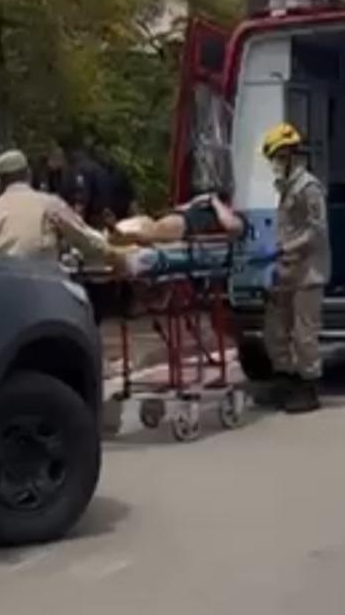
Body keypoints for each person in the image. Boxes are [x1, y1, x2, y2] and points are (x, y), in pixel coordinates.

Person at [261, 123, 329, 414]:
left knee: (304, 334)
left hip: (308, 273)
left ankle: (309, 387)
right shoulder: (285, 187)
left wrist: (284, 248)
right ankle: (284, 381)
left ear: (290, 155)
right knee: (275, 331)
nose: (275, 164)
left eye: (277, 157)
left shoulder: (308, 188)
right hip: (286, 270)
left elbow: (317, 231)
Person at [0, 149, 111, 265]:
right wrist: (109, 246)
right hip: (41, 283)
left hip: (3, 283)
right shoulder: (48, 204)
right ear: (28, 174)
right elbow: (85, 237)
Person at [107, 191, 245, 245]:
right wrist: (199, 200)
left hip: (186, 225)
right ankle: (116, 231)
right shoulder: (210, 208)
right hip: (181, 218)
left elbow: (229, 224)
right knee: (147, 222)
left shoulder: (238, 220)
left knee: (152, 232)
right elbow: (184, 207)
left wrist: (215, 201)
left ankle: (118, 235)